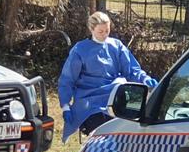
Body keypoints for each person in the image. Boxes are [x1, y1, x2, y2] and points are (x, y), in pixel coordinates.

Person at [58, 11, 158, 142]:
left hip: (115, 98)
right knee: (100, 137)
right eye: (101, 31)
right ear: (91, 29)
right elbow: (67, 79)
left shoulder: (116, 46)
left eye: (107, 30)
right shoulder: (80, 50)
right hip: (89, 101)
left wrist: (144, 79)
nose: (105, 35)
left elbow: (132, 70)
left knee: (124, 137)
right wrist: (65, 105)